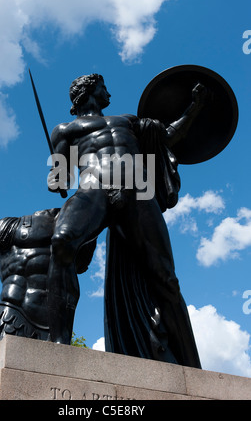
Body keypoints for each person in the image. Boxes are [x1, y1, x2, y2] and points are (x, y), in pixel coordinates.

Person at [47, 73, 206, 368]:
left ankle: (191, 365)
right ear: (89, 91)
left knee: (166, 278)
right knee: (62, 242)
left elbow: (168, 137)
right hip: (93, 185)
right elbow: (59, 178)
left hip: (137, 189)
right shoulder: (64, 130)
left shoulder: (129, 120)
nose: (109, 92)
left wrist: (193, 108)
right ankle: (58, 344)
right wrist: (56, 178)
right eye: (104, 86)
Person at [0, 208, 96, 364]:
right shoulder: (8, 225)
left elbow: (79, 265)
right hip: (12, 313)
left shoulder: (81, 230)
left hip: (52, 324)